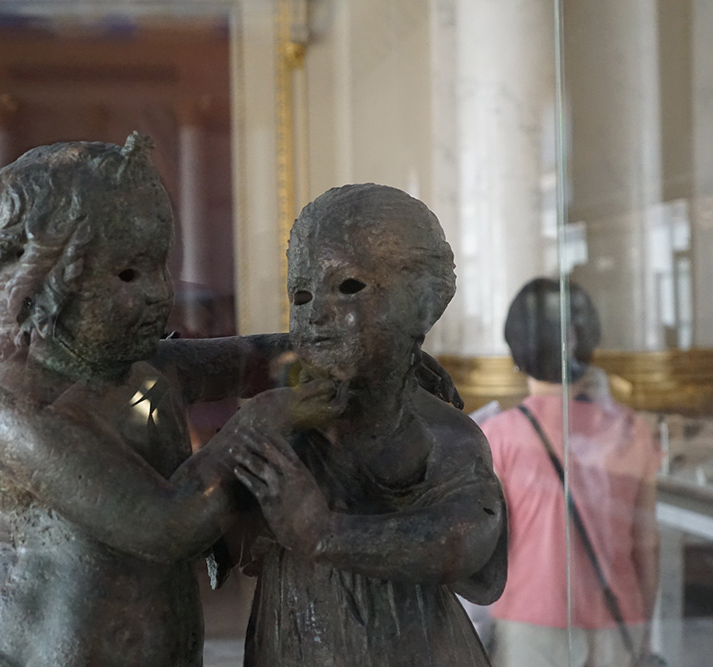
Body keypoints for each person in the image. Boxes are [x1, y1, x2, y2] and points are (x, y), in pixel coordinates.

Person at [0, 133, 341, 666]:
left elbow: (253, 360)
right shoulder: (19, 413)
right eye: (129, 273)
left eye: (162, 265)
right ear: (39, 283)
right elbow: (166, 524)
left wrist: (349, 359)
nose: (161, 291)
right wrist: (264, 424)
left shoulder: (142, 370)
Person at [229, 184, 507, 666]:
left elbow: (468, 540)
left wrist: (324, 533)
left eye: (348, 286)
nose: (315, 312)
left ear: (422, 302)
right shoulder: (290, 421)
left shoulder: (439, 432)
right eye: (301, 293)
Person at [480, 277, 661, 667]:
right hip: (617, 618)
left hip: (529, 621)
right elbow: (646, 546)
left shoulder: (496, 437)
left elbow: (483, 550)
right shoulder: (631, 430)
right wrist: (642, 631)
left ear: (518, 351)